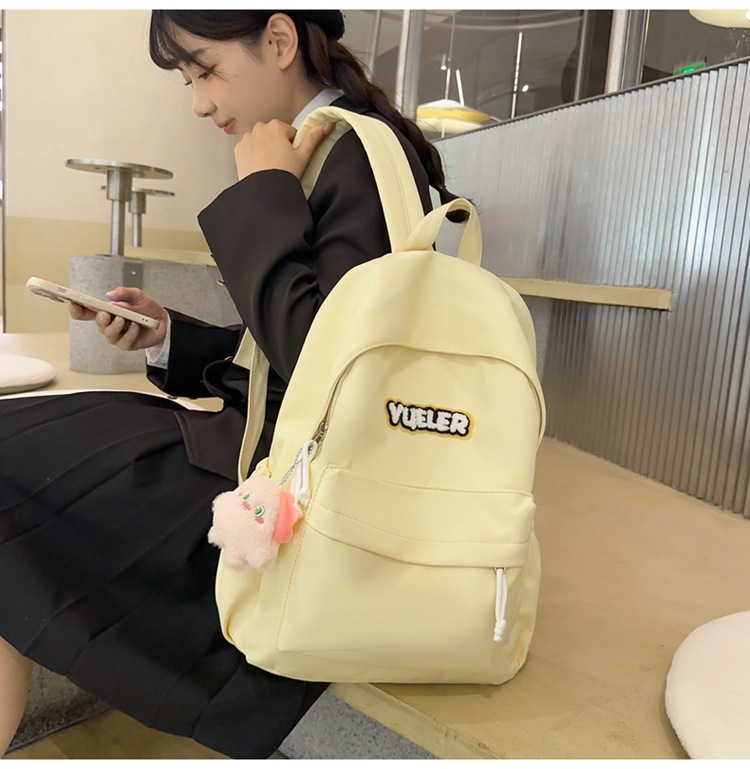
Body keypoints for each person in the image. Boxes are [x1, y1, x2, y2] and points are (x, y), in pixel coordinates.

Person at [0, 10, 464, 759]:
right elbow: (289, 347)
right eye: (188, 80)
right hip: (260, 450)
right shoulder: (330, 148)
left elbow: (327, 366)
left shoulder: (357, 155)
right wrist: (167, 334)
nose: (199, 103)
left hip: (284, 482)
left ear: (279, 42)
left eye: (205, 70)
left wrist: (267, 191)